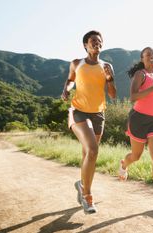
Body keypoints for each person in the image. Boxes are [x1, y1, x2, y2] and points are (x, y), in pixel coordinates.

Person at [61, 30, 116, 214]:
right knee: (93, 150)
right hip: (79, 111)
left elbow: (113, 94)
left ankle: (81, 184)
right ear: (85, 45)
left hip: (98, 113)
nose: (96, 43)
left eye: (99, 41)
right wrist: (66, 90)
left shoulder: (107, 66)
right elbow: (70, 80)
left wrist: (110, 78)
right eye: (93, 41)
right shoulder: (77, 63)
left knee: (88, 154)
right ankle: (87, 195)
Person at [119, 47, 153, 208]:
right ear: (142, 59)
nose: (152, 56)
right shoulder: (140, 74)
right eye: (148, 54)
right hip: (138, 120)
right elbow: (133, 97)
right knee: (136, 156)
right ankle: (124, 164)